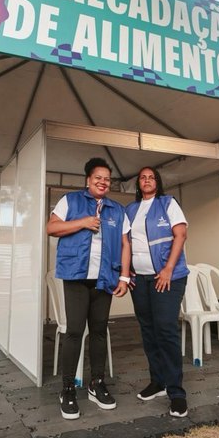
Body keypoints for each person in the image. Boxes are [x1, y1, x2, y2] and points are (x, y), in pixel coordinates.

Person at [47, 157, 131, 420]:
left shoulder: (117, 210)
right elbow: (52, 227)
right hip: (76, 276)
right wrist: (82, 222)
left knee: (98, 331)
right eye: (98, 177)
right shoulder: (70, 201)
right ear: (88, 180)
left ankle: (96, 384)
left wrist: (125, 278)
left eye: (107, 178)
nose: (103, 182)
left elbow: (125, 244)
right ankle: (68, 388)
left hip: (105, 278)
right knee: (74, 332)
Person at [124, 166, 190, 418]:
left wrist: (167, 270)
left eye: (151, 177)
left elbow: (180, 235)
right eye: (143, 177)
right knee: (148, 330)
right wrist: (126, 271)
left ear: (157, 182)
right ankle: (158, 381)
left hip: (166, 277)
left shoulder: (167, 203)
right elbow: (125, 243)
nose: (147, 180)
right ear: (138, 184)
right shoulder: (130, 210)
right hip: (139, 280)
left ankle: (177, 392)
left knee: (165, 329)